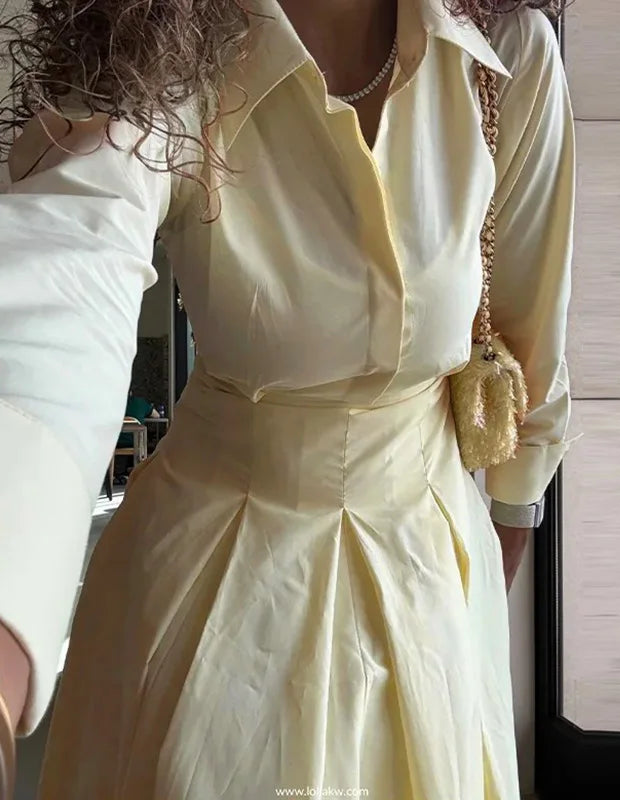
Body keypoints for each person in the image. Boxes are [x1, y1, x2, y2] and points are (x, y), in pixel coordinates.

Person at [0, 0, 576, 797]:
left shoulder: (506, 57)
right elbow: (67, 256)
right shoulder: (158, 45)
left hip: (437, 580)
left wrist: (492, 549)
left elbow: (529, 327)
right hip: (215, 590)